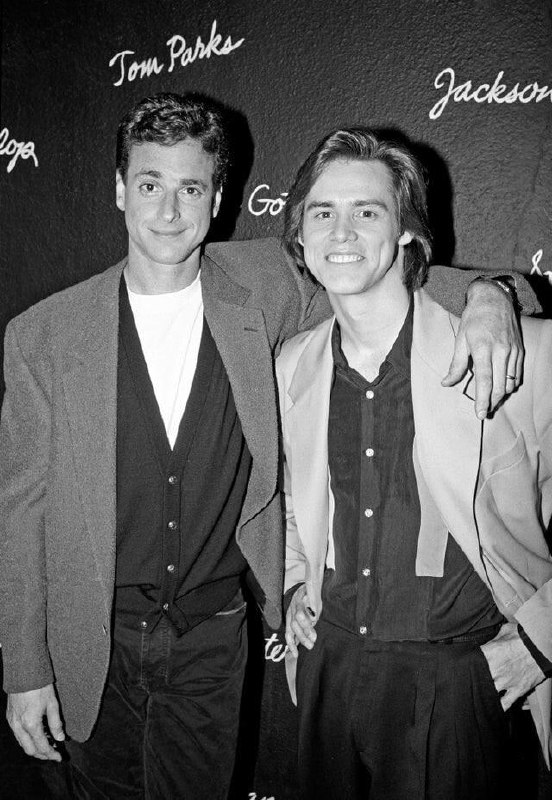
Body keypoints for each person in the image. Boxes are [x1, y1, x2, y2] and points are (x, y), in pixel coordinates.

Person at [0, 93, 534, 799]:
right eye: (151, 185)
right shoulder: (42, 335)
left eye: (191, 188)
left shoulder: (263, 286)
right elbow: (20, 512)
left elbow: (387, 273)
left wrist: (494, 295)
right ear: (121, 189)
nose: (169, 210)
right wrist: (24, 669)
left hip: (212, 640)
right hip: (89, 639)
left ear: (218, 199)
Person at [278, 127, 552, 800]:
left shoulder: (520, 352)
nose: (341, 231)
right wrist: (292, 586)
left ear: (405, 230)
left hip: (461, 683)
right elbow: (290, 502)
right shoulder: (292, 365)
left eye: (367, 211)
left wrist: (541, 641)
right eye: (322, 212)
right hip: (327, 673)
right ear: (300, 235)